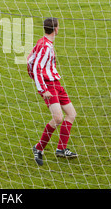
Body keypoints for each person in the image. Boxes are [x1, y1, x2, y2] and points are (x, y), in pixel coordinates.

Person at [28, 17, 77, 165]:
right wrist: (43, 89)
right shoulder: (45, 46)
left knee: (71, 114)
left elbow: (30, 59)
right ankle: (38, 148)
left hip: (56, 83)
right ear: (55, 29)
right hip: (48, 86)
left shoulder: (44, 42)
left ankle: (61, 149)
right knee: (57, 118)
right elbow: (36, 67)